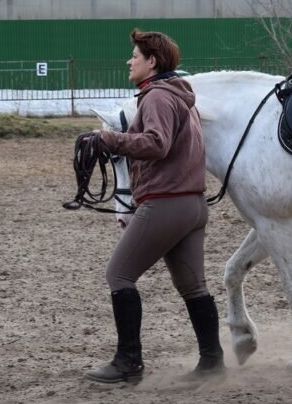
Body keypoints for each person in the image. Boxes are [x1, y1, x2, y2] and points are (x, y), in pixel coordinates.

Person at [86, 30, 224, 384]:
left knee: (118, 275)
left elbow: (157, 144)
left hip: (167, 203)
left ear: (153, 62)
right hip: (192, 205)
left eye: (135, 55)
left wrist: (108, 138)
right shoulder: (180, 97)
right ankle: (212, 362)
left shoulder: (157, 97)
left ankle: (128, 363)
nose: (129, 61)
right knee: (193, 287)